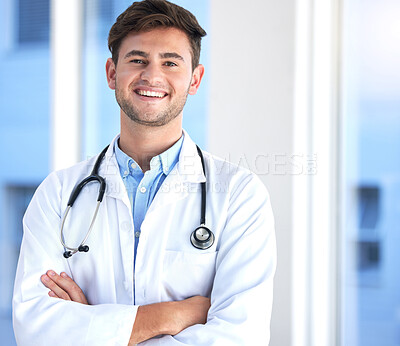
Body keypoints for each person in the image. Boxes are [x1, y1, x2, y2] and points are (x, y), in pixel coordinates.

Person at [12, 0, 276, 344]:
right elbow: (34, 327)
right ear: (111, 73)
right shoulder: (58, 192)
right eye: (137, 60)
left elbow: (240, 336)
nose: (152, 76)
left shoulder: (239, 195)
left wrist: (92, 327)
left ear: (194, 79)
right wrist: (174, 315)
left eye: (170, 62)